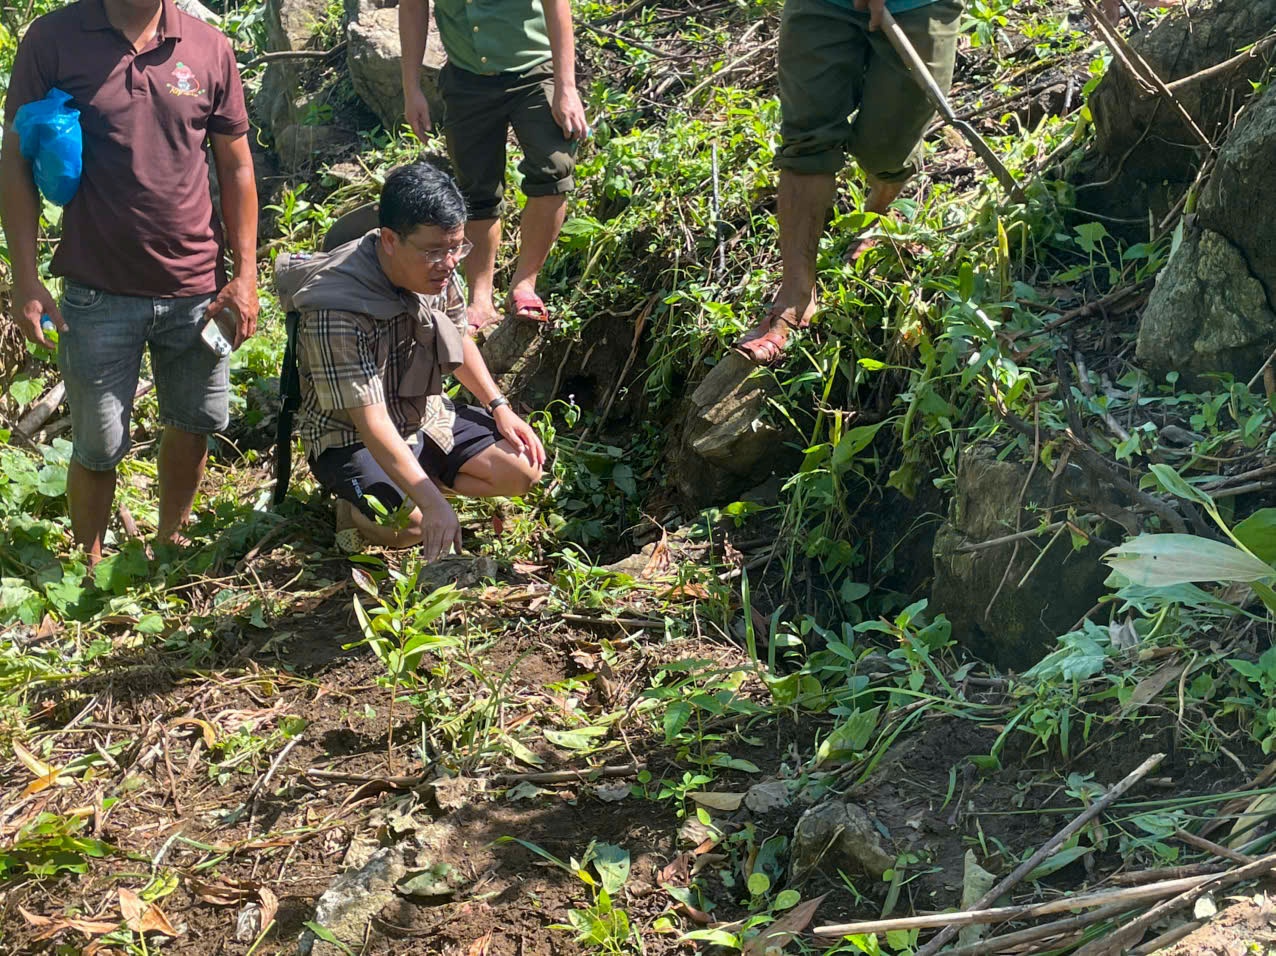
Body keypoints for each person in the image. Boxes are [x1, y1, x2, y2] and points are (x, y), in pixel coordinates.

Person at [0, 0, 259, 563]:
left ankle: (170, 544)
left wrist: (245, 274)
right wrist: (25, 278)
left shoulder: (208, 47)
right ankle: (91, 567)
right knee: (97, 446)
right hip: (95, 291)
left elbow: (237, 167)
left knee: (192, 424)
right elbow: (15, 163)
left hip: (197, 288)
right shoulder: (54, 40)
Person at [275, 162, 547, 560]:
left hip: (422, 414)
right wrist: (434, 506)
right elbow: (370, 422)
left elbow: (458, 340)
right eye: (435, 250)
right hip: (350, 437)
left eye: (456, 247)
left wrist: (498, 405)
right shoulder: (335, 308)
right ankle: (355, 509)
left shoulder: (436, 266)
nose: (450, 261)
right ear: (389, 240)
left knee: (523, 468)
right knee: (410, 525)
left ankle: (415, 483)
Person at [735, 0, 961, 364]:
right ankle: (795, 293)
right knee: (808, 140)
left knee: (887, 152)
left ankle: (879, 213)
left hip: (920, 6)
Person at [399, 0, 587, 331]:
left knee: (553, 168)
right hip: (466, 78)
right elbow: (413, 7)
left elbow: (557, 4)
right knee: (475, 189)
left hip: (535, 70)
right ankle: (480, 299)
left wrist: (566, 86)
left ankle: (524, 283)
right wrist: (411, 88)